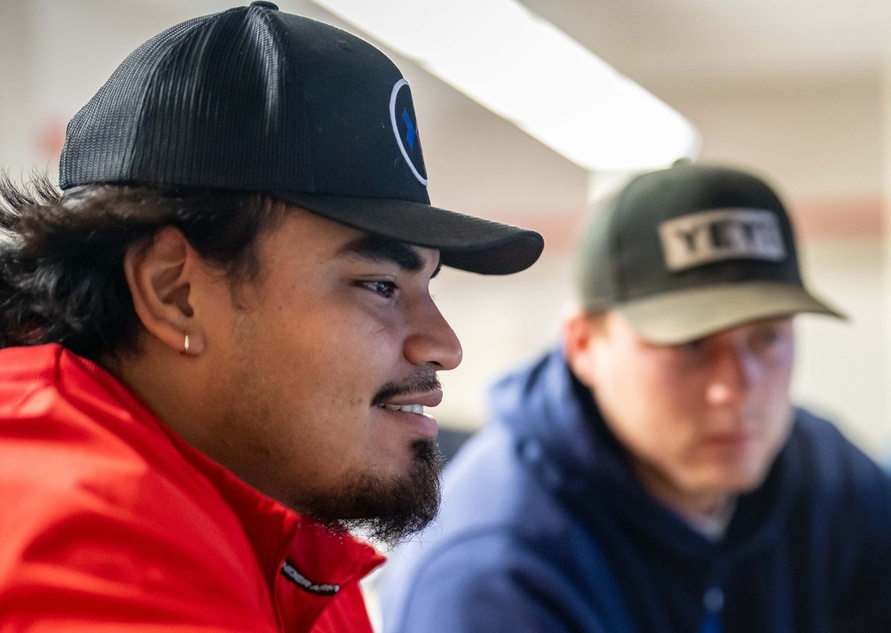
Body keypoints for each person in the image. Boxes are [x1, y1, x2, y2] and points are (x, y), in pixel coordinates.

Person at [0, 3, 543, 631]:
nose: (444, 346)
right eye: (379, 285)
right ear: (174, 290)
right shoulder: (86, 535)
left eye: (428, 284)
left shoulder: (289, 533)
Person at [377, 162, 891, 633]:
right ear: (584, 343)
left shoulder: (819, 470)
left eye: (767, 338)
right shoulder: (496, 570)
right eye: (690, 345)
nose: (736, 389)